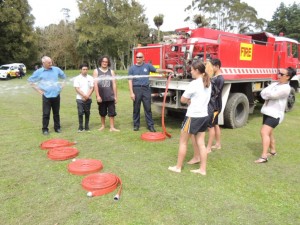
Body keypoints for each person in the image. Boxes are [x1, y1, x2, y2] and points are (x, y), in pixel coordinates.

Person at [168, 60, 211, 175]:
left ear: (197, 71)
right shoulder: (208, 82)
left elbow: (182, 99)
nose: (190, 72)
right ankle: (202, 170)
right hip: (203, 116)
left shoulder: (194, 83)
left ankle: (178, 167)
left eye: (191, 70)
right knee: (201, 144)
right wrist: (192, 100)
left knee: (183, 142)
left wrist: (188, 100)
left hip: (193, 116)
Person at [254, 67, 295, 163]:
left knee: (264, 132)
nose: (279, 75)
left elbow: (272, 95)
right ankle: (272, 151)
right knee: (269, 132)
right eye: (279, 73)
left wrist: (268, 93)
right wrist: (268, 93)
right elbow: (263, 93)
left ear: (288, 77)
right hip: (267, 112)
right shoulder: (275, 84)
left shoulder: (286, 88)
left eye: (281, 74)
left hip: (275, 114)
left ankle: (264, 157)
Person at [128, 52, 173, 132]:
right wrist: (131, 93)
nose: (138, 58)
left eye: (140, 57)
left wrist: (166, 70)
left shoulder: (147, 66)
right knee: (136, 108)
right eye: (137, 57)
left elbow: (157, 70)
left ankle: (150, 126)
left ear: (143, 58)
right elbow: (130, 81)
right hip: (136, 89)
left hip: (146, 89)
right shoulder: (132, 68)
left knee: (148, 108)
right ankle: (136, 125)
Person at [28, 56, 66, 135]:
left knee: (56, 113)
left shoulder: (56, 69)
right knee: (46, 113)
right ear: (43, 63)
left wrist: (62, 86)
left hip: (56, 95)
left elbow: (64, 77)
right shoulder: (39, 72)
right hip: (46, 96)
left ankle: (57, 128)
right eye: (49, 63)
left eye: (51, 62)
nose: (51, 63)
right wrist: (39, 91)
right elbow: (30, 81)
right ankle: (45, 129)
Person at [93, 56, 120, 132]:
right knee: (102, 112)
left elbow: (114, 84)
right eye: (103, 61)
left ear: (108, 63)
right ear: (101, 62)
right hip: (101, 96)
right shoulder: (96, 71)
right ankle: (103, 126)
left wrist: (115, 96)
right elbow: (95, 84)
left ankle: (112, 127)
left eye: (106, 62)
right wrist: (98, 95)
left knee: (112, 112)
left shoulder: (111, 72)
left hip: (110, 96)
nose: (105, 63)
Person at [206, 58, 224, 152]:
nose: (211, 68)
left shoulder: (220, 78)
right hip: (215, 105)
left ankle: (208, 147)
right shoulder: (215, 77)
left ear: (217, 66)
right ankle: (218, 144)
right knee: (215, 124)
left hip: (215, 106)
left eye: (212, 66)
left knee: (211, 126)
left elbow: (215, 93)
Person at [73, 63, 94, 132]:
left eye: (86, 69)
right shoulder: (77, 78)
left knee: (87, 112)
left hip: (88, 98)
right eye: (83, 69)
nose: (85, 71)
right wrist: (84, 95)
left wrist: (87, 96)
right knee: (80, 112)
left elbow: (92, 88)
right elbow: (77, 88)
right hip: (80, 99)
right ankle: (80, 127)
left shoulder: (90, 78)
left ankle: (87, 127)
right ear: (80, 70)